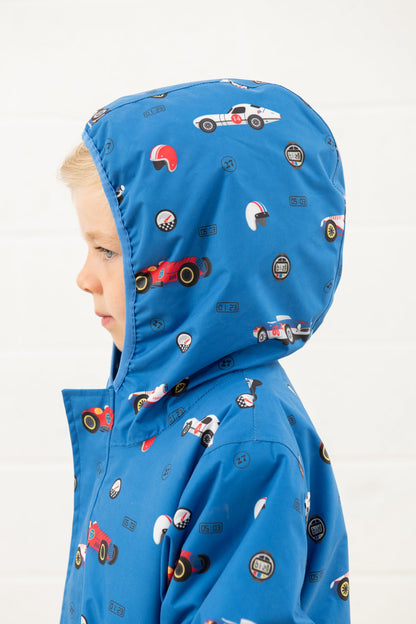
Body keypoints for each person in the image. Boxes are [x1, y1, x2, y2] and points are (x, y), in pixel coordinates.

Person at [58, 78, 350, 624]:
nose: (84, 278)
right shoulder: (157, 404)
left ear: (202, 256)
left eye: (107, 251)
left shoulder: (246, 443)